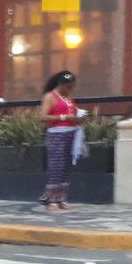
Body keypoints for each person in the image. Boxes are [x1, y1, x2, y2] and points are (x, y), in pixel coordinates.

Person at [39, 70, 82, 211]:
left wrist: (78, 117)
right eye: (68, 87)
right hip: (57, 134)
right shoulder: (50, 97)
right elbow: (43, 117)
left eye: (72, 87)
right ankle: (50, 200)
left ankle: (61, 198)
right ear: (61, 85)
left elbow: (72, 113)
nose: (70, 90)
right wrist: (63, 118)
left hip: (70, 132)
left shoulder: (68, 97)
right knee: (56, 165)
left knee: (65, 166)